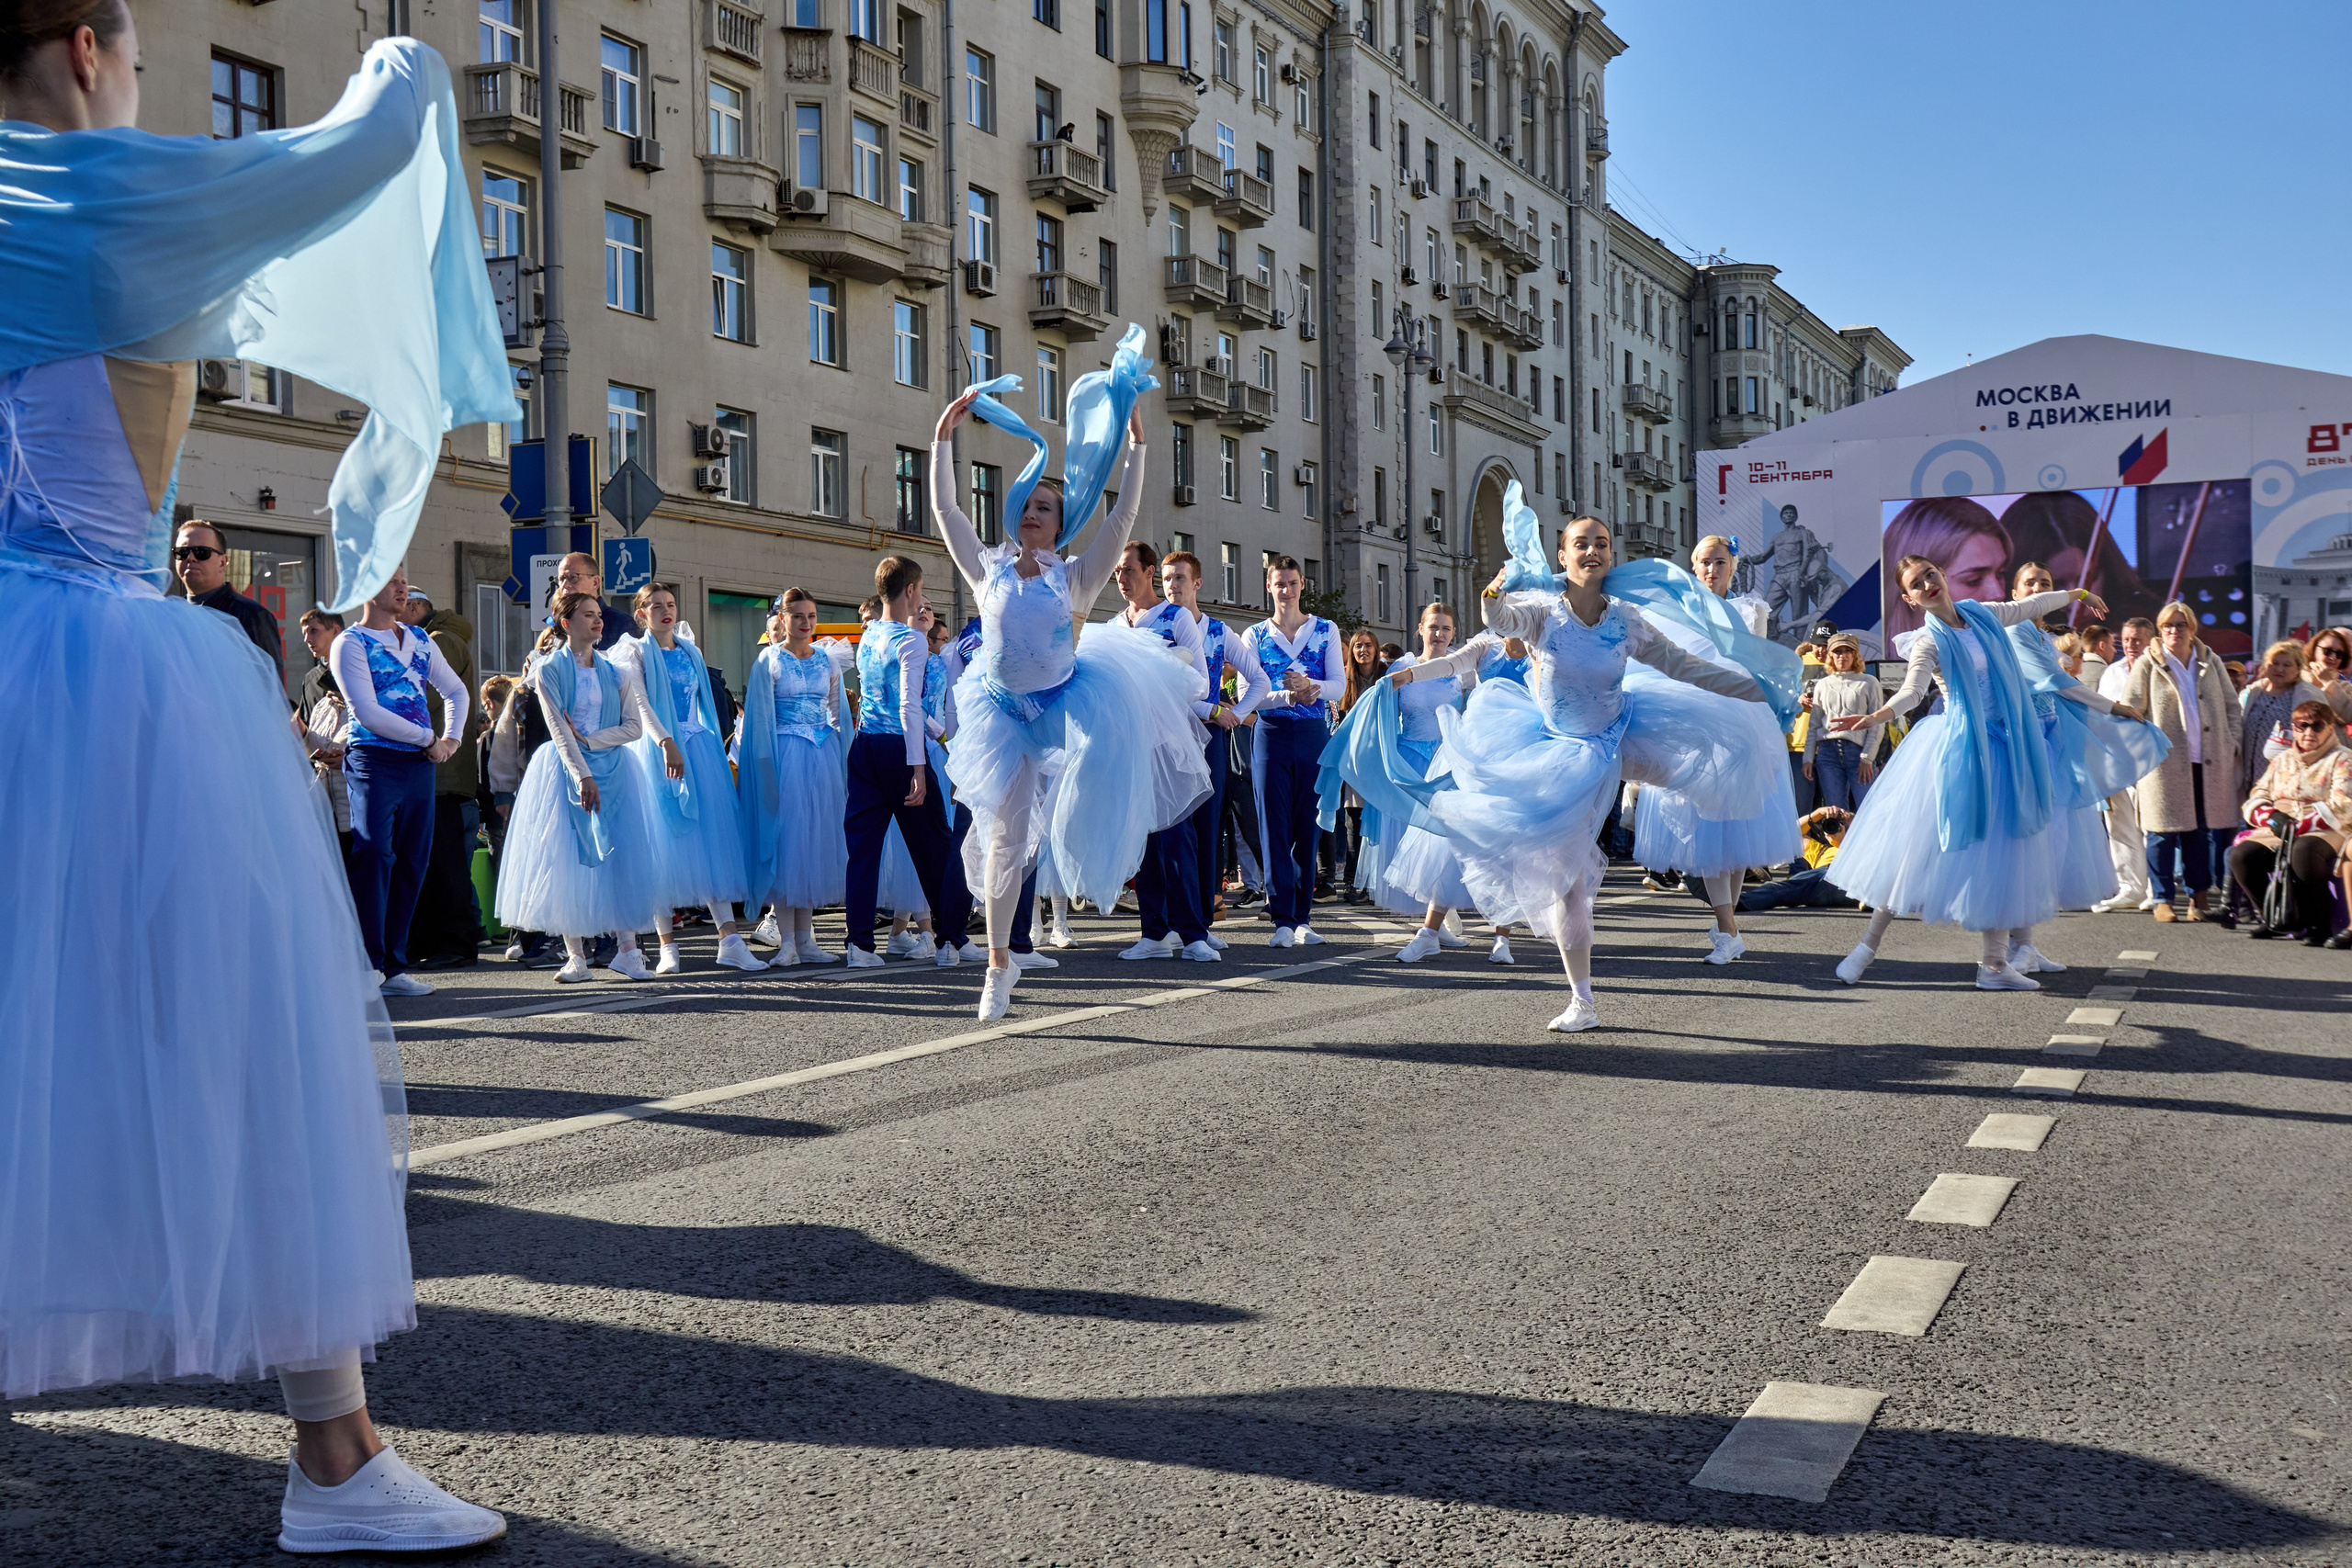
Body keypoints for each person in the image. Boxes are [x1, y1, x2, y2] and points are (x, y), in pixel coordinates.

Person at [0, 14, 514, 1550]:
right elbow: (348, 156)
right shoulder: (100, 189)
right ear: (91, 47)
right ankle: (339, 1460)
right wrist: (408, 60)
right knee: (245, 1038)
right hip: (100, 668)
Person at [1392, 512, 1780, 1032]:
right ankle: (1582, 999)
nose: (1592, 551)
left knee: (1705, 763)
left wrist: (1753, 690)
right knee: (1568, 882)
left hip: (1619, 735)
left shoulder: (1626, 619)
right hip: (1552, 748)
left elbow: (1684, 666)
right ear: (1563, 555)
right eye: (1581, 543)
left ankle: (1704, 912)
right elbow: (1497, 623)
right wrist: (1494, 592)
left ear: (1611, 557)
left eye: (1602, 543)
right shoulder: (1540, 613)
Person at [928, 331, 1210, 1020]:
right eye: (1026, 503)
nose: (1033, 513)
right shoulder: (987, 565)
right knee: (1004, 836)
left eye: (1046, 507)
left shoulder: (1078, 575)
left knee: (1075, 818)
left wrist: (1138, 444)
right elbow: (945, 512)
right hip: (1001, 713)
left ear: (1062, 520)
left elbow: (1124, 515)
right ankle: (998, 966)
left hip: (1065, 702)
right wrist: (941, 440)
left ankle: (1121, 908)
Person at [1824, 558, 2120, 988]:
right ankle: (1866, 947)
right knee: (1915, 849)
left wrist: (2078, 595)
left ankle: (1994, 966)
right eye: (1916, 584)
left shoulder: (1983, 613)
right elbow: (1912, 691)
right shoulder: (1929, 641)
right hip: (1960, 747)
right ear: (1908, 599)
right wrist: (1875, 718)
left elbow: (2032, 604)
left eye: (1930, 574)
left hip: (2005, 746)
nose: (1927, 584)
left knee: (2005, 852)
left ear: (1942, 576)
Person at [1617, 532, 1802, 964]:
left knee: (1734, 833)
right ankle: (1728, 927)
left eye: (1719, 562)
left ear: (1733, 566)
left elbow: (1755, 662)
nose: (1711, 570)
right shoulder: (1673, 610)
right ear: (1692, 565)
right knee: (1703, 823)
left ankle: (1727, 927)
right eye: (1703, 561)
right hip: (1692, 727)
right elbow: (1657, 660)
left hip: (1741, 724)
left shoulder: (1748, 608)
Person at [494, 592, 670, 981]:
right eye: (587, 615)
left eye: (598, 614)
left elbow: (633, 727)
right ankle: (575, 955)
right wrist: (580, 772)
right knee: (566, 858)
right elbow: (558, 729)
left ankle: (628, 950)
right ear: (565, 623)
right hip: (564, 770)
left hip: (613, 767)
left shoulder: (616, 670)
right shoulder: (549, 670)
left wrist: (592, 741)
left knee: (619, 855)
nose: (598, 621)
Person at [2002, 561, 2166, 972]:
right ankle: (2009, 949)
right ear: (2014, 593)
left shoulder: (2038, 633)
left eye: (2047, 583)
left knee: (2045, 846)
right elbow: (2055, 682)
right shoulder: (2014, 630)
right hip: (2022, 746)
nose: (2039, 587)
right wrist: (2112, 707)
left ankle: (2024, 943)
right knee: (2026, 846)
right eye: (2031, 583)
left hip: (2047, 742)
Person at [1336, 601, 1519, 964]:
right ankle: (1436, 924)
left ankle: (1445, 924)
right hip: (1409, 762)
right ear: (1419, 629)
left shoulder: (1464, 669)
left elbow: (1476, 708)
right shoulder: (1402, 667)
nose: (1438, 634)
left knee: (1445, 844)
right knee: (1414, 845)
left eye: (1446, 629)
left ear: (1454, 634)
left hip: (1449, 762)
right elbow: (1379, 714)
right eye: (1432, 627)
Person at [331, 564, 470, 997]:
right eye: (391, 581)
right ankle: (364, 962)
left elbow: (457, 691)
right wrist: (432, 737)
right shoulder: (349, 643)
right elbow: (367, 712)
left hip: (419, 764)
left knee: (413, 860)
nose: (402, 587)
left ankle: (393, 967)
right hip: (374, 760)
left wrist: (452, 739)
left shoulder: (421, 639)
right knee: (374, 853)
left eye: (403, 579)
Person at [615, 583, 766, 974]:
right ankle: (667, 946)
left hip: (699, 746)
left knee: (711, 837)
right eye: (655, 606)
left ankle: (730, 939)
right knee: (662, 843)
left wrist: (704, 746)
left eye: (670, 604)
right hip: (657, 749)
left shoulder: (690, 650)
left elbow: (703, 705)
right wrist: (666, 742)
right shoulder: (633, 651)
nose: (665, 611)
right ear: (641, 614)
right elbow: (640, 701)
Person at [842, 556, 962, 967]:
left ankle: (858, 944)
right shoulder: (909, 641)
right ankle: (949, 940)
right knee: (934, 845)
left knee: (863, 849)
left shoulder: (872, 631)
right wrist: (917, 768)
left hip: (864, 746)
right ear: (910, 590)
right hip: (897, 749)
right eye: (921, 588)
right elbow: (909, 706)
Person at [1112, 540, 1220, 962]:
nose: (1122, 579)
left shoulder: (1176, 618)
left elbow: (1201, 683)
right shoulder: (1116, 626)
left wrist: (1162, 679)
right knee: (1144, 840)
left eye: (1129, 570)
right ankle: (1154, 932)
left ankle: (1192, 932)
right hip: (1132, 745)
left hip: (1171, 742)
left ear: (1150, 571)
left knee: (1178, 838)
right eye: (1118, 572)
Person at [736, 587, 856, 965]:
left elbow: (839, 713)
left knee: (813, 841)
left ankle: (806, 940)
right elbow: (759, 720)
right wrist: (763, 767)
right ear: (783, 619)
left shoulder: (827, 660)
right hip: (785, 755)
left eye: (811, 617)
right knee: (787, 840)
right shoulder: (768, 660)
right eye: (798, 617)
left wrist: (845, 758)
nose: (806, 624)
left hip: (822, 756)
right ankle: (786, 941)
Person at [1165, 548, 1269, 936]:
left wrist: (1236, 713)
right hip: (1165, 734)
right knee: (1168, 827)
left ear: (1197, 583)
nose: (1172, 586)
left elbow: (1259, 679)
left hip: (1207, 736)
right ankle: (1168, 921)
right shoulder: (1157, 624)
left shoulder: (1218, 631)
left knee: (1207, 827)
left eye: (1180, 578)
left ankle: (1203, 920)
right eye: (1167, 579)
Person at [1247, 555, 1346, 947]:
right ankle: (1282, 919)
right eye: (1278, 584)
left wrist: (1313, 687)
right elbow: (1247, 695)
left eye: (1292, 583)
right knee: (1273, 827)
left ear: (1303, 585)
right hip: (1270, 735)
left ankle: (1303, 917)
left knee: (1309, 826)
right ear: (1269, 587)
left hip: (1311, 734)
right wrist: (1290, 694)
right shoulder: (1253, 634)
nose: (1286, 590)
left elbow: (1339, 684)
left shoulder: (1325, 629)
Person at [2122, 602, 2243, 924]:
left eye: (2181, 625)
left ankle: (2198, 897)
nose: (2174, 631)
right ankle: (2162, 897)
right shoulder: (2148, 663)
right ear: (2160, 631)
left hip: (2208, 760)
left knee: (2199, 833)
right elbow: (2131, 711)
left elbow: (2233, 706)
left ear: (2192, 628)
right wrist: (2144, 750)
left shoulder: (2211, 661)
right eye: (2168, 626)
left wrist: (2230, 742)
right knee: (2161, 834)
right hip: (2163, 764)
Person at [397, 587, 485, 971]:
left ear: (416, 608)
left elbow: (426, 695)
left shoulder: (439, 641)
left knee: (445, 866)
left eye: (400, 610)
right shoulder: (437, 637)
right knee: (431, 864)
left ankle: (457, 942)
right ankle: (432, 940)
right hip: (437, 774)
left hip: (443, 775)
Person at [2233, 700, 2352, 944]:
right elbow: (2258, 794)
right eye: (2302, 726)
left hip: (2329, 826)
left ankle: (2318, 923)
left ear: (2330, 728)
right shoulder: (2282, 759)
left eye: (2317, 726)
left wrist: (2302, 826)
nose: (2309, 732)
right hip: (2281, 823)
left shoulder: (2343, 758)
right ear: (2293, 728)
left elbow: (2343, 804)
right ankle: (2275, 919)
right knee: (2241, 856)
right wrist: (2268, 816)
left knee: (2304, 851)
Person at [2091, 616, 2161, 913]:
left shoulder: (2159, 669)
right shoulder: (2111, 672)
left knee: (2149, 825)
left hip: (2149, 760)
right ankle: (2129, 887)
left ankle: (2153, 889)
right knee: (2118, 825)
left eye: (2137, 639)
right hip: (2114, 758)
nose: (2131, 645)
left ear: (2150, 640)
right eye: (2127, 639)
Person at [1880, 496, 2012, 647]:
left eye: (2001, 574)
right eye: (1973, 580)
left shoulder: (2002, 627)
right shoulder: (1922, 646)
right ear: (1908, 597)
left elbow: (2034, 605)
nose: (1999, 593)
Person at [173, 517, 283, 670]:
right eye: (182, 552)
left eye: (201, 552)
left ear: (222, 562)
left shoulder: (251, 616)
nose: (191, 558)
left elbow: (269, 682)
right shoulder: (173, 614)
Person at [1804, 633, 1882, 812]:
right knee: (1835, 812)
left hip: (1858, 752)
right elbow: (1814, 724)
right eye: (1838, 651)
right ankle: (1841, 841)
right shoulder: (1823, 684)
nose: (1843, 655)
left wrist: (1867, 757)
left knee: (1867, 809)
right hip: (1827, 753)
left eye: (1848, 651)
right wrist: (1808, 758)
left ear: (1856, 655)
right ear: (1831, 655)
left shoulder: (1869, 682)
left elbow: (1877, 723)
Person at [2239, 640, 2324, 797]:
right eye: (2275, 663)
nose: (2279, 669)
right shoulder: (2254, 691)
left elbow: (2320, 736)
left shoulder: (2307, 695)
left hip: (2287, 780)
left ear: (2298, 669)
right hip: (2250, 777)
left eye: (2287, 665)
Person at [296, 606, 344, 715]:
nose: (306, 640)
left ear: (335, 630)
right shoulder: (310, 679)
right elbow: (307, 727)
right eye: (304, 634)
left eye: (313, 631)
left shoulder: (363, 667)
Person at [2303, 626, 2352, 724]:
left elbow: (2349, 716)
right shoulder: (2294, 678)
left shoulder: (2345, 687)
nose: (2333, 657)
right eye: (2328, 651)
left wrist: (2328, 683)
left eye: (2339, 654)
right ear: (2314, 649)